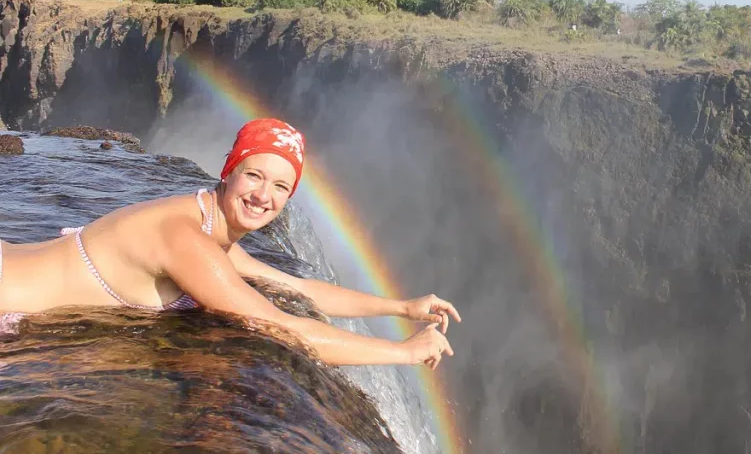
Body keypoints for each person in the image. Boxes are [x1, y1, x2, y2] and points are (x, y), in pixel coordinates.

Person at [0, 118, 461, 369]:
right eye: (254, 175)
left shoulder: (212, 234)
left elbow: (300, 290)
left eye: (281, 187)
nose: (264, 196)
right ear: (228, 171)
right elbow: (281, 327)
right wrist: (402, 352)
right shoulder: (185, 240)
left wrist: (403, 308)